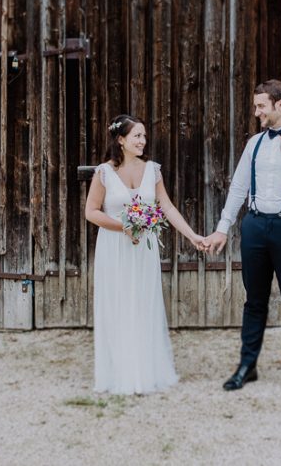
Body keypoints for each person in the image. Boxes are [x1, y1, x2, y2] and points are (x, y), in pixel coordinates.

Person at [204, 80, 281, 397]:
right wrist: (222, 226)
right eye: (256, 106)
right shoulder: (254, 143)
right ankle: (247, 365)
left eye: (261, 106)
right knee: (254, 302)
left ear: (279, 105)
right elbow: (239, 187)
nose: (257, 112)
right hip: (255, 226)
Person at [85, 114, 205, 395]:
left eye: (143, 136)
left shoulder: (153, 170)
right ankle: (119, 374)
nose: (142, 140)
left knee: (143, 303)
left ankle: (145, 371)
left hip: (144, 250)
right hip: (114, 248)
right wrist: (123, 227)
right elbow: (91, 212)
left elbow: (168, 208)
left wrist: (193, 236)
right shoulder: (104, 172)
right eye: (137, 135)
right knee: (118, 305)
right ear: (121, 140)